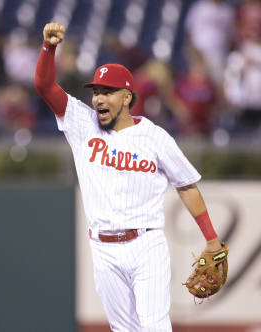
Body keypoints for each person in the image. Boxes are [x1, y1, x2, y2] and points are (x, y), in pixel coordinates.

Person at [34, 22, 225, 331]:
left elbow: (186, 185)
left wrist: (211, 238)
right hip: (103, 248)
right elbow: (45, 86)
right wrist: (49, 48)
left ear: (126, 97)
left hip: (145, 244)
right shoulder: (82, 124)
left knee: (154, 327)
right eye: (96, 91)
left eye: (107, 92)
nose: (98, 99)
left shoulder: (155, 137)